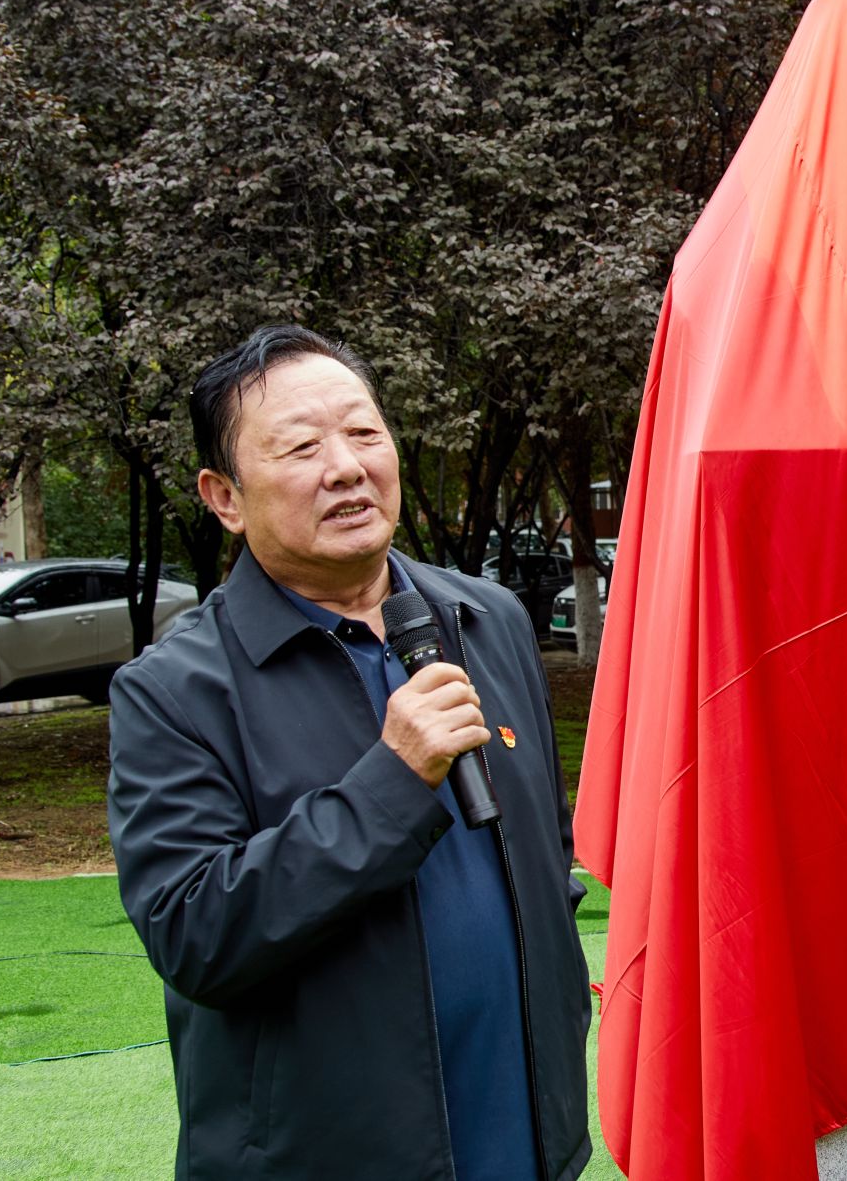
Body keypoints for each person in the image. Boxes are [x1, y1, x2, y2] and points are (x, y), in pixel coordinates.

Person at [107, 325, 591, 1181]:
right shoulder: (175, 689)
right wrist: (392, 780)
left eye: (364, 433)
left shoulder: (486, 620)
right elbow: (195, 934)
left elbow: (546, 852)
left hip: (522, 1136)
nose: (345, 466)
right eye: (301, 447)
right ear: (224, 496)